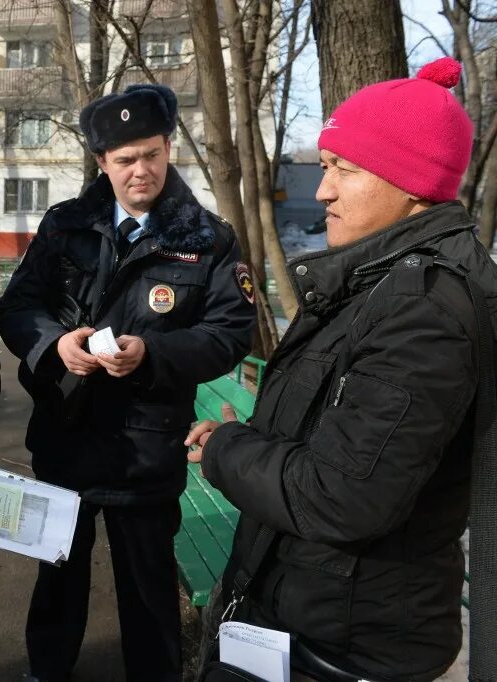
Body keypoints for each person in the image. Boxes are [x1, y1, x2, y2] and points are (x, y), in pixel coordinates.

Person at [187, 57, 494, 680]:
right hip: (305, 620)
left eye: (343, 170)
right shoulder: (377, 280)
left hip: (340, 649)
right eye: (326, 167)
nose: (322, 190)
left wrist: (226, 447)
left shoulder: (424, 309)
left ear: (408, 182)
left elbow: (343, 495)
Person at [0, 84, 256, 681]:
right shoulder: (66, 227)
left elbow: (231, 332)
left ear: (168, 148)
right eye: (124, 159)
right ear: (101, 163)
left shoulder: (208, 239)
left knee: (149, 590)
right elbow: (15, 307)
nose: (141, 171)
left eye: (151, 155)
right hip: (67, 438)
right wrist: (55, 346)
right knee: (57, 579)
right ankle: (46, 672)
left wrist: (152, 354)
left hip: (147, 448)